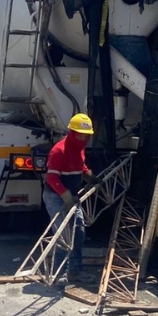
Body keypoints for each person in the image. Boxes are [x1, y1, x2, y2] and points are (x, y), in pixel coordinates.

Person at [43, 113, 96, 284]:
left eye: (86, 136)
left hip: (71, 196)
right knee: (64, 235)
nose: (83, 139)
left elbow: (80, 166)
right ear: (72, 133)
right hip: (55, 196)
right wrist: (65, 195)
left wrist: (89, 176)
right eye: (80, 135)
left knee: (78, 233)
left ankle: (74, 271)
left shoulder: (79, 149)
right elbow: (52, 178)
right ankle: (58, 273)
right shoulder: (59, 151)